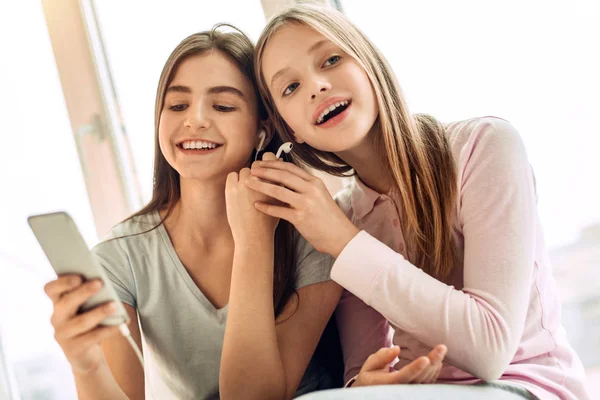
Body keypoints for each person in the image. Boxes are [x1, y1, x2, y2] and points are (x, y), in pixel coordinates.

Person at [247, 5, 590, 400]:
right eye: (290, 87)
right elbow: (363, 365)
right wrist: (367, 383)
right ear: (291, 129)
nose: (316, 85)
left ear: (369, 63)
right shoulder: (344, 217)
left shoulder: (486, 147)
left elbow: (491, 347)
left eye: (331, 59)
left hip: (527, 387)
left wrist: (343, 242)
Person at [42, 25, 347, 400]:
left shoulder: (310, 230)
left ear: (262, 132)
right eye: (177, 105)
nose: (195, 120)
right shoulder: (121, 257)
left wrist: (254, 242)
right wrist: (85, 364)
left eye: (222, 106)